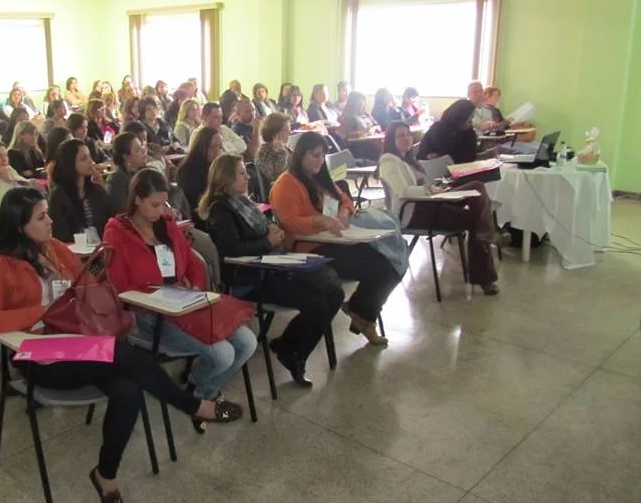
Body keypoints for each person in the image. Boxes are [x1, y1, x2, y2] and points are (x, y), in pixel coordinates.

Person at [0, 187, 242, 503]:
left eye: (48, 212)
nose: (50, 220)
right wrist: (44, 311)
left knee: (128, 390)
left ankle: (105, 476)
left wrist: (98, 276)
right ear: (19, 224)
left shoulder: (55, 249)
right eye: (42, 216)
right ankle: (192, 405)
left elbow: (83, 290)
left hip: (82, 344)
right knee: (121, 352)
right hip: (41, 356)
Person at [104, 170, 257, 410]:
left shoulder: (166, 225)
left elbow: (191, 260)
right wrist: (160, 295)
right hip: (151, 314)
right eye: (154, 205)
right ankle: (201, 399)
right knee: (223, 355)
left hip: (186, 303)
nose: (161, 210)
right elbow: (119, 286)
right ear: (136, 200)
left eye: (163, 203)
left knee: (248, 343)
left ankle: (199, 389)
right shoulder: (117, 233)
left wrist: (194, 284)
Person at [200, 154, 344, 386]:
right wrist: (268, 241)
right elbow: (232, 252)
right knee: (316, 303)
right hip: (250, 278)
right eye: (240, 173)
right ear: (225, 178)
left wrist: (274, 235)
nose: (248, 176)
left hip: (274, 265)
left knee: (334, 292)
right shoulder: (221, 210)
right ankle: (294, 354)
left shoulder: (245, 202)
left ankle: (287, 345)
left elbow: (262, 234)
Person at [269, 132, 402, 346]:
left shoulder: (319, 178)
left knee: (388, 263)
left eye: (322, 156)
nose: (320, 161)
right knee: (377, 267)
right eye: (315, 155)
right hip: (308, 247)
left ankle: (360, 311)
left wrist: (344, 213)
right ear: (301, 155)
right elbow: (289, 222)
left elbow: (346, 200)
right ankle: (363, 315)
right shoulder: (286, 184)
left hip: (334, 240)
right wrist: (319, 221)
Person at [379, 121, 501, 295]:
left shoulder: (407, 158)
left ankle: (487, 233)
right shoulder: (389, 161)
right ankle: (488, 245)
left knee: (477, 186)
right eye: (400, 135)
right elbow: (402, 191)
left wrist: (438, 187)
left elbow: (421, 184)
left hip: (429, 202)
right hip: (413, 212)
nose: (406, 138)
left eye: (408, 134)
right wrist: (429, 190)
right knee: (476, 219)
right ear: (391, 140)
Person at [47, 139, 111, 243]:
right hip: (76, 253)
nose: (91, 161)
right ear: (70, 163)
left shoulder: (97, 191)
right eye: (83, 158)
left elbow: (109, 223)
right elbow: (60, 236)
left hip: (103, 249)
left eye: (90, 156)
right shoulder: (58, 196)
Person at [175, 126, 223, 219]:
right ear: (202, 147)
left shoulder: (217, 165)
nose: (218, 151)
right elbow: (196, 202)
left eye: (220, 147)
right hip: (200, 216)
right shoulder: (189, 170)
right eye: (212, 147)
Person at [417, 99, 483, 164]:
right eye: (469, 117)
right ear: (458, 117)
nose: (472, 121)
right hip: (434, 170)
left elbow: (471, 156)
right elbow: (451, 158)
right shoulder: (439, 130)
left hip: (458, 168)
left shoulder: (467, 131)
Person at [106, 132, 148, 215]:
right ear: (125, 156)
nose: (143, 152)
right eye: (137, 150)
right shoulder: (116, 179)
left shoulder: (141, 172)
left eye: (141, 147)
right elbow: (122, 212)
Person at [338, 91, 382, 163]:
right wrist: (363, 133)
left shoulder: (366, 115)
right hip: (358, 146)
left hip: (371, 142)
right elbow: (345, 135)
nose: (361, 103)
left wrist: (373, 129)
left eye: (362, 101)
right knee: (378, 151)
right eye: (358, 101)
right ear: (352, 103)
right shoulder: (348, 118)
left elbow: (378, 126)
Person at [254, 113, 292, 185]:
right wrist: (281, 153)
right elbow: (274, 178)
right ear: (275, 133)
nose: (290, 132)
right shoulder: (264, 153)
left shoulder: (285, 147)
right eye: (286, 130)